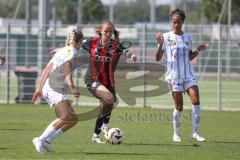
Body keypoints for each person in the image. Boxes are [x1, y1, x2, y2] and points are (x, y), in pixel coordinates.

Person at [155, 8, 209, 142]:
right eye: (173, 22)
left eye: (178, 22)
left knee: (196, 101)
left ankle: (195, 133)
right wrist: (160, 44)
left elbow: (189, 57)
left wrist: (198, 50)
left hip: (189, 74)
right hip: (174, 76)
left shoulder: (188, 37)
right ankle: (176, 134)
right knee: (179, 106)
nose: (175, 25)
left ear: (182, 22)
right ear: (171, 22)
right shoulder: (166, 37)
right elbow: (157, 58)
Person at [82, 21, 137, 143]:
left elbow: (125, 51)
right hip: (92, 79)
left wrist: (131, 55)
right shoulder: (91, 42)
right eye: (105, 31)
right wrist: (61, 50)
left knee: (107, 104)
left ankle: (96, 136)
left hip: (107, 81)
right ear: (100, 31)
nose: (108, 33)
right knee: (109, 98)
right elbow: (73, 46)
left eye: (110, 31)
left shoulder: (115, 45)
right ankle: (105, 126)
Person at [31, 27, 83, 154]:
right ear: (80, 41)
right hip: (55, 88)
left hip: (50, 87)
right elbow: (67, 70)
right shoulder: (73, 53)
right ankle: (40, 139)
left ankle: (47, 141)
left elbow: (46, 69)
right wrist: (73, 87)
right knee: (65, 116)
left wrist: (39, 88)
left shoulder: (63, 50)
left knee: (73, 119)